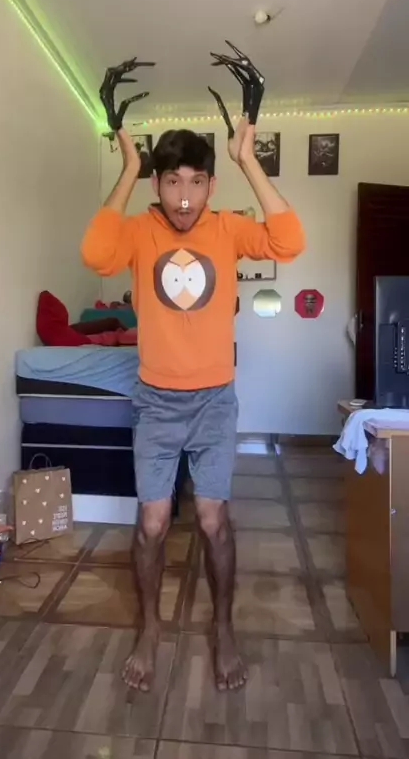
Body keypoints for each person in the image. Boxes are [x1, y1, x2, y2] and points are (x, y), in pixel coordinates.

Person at [81, 118, 305, 692]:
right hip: (155, 402)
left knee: (213, 520)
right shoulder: (139, 232)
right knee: (152, 523)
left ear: (211, 185)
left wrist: (248, 159)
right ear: (157, 184)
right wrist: (130, 167)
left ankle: (223, 628)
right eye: (172, 181)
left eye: (197, 182)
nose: (184, 197)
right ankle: (150, 629)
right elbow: (96, 253)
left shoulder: (227, 229)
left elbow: (289, 241)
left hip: (213, 402)